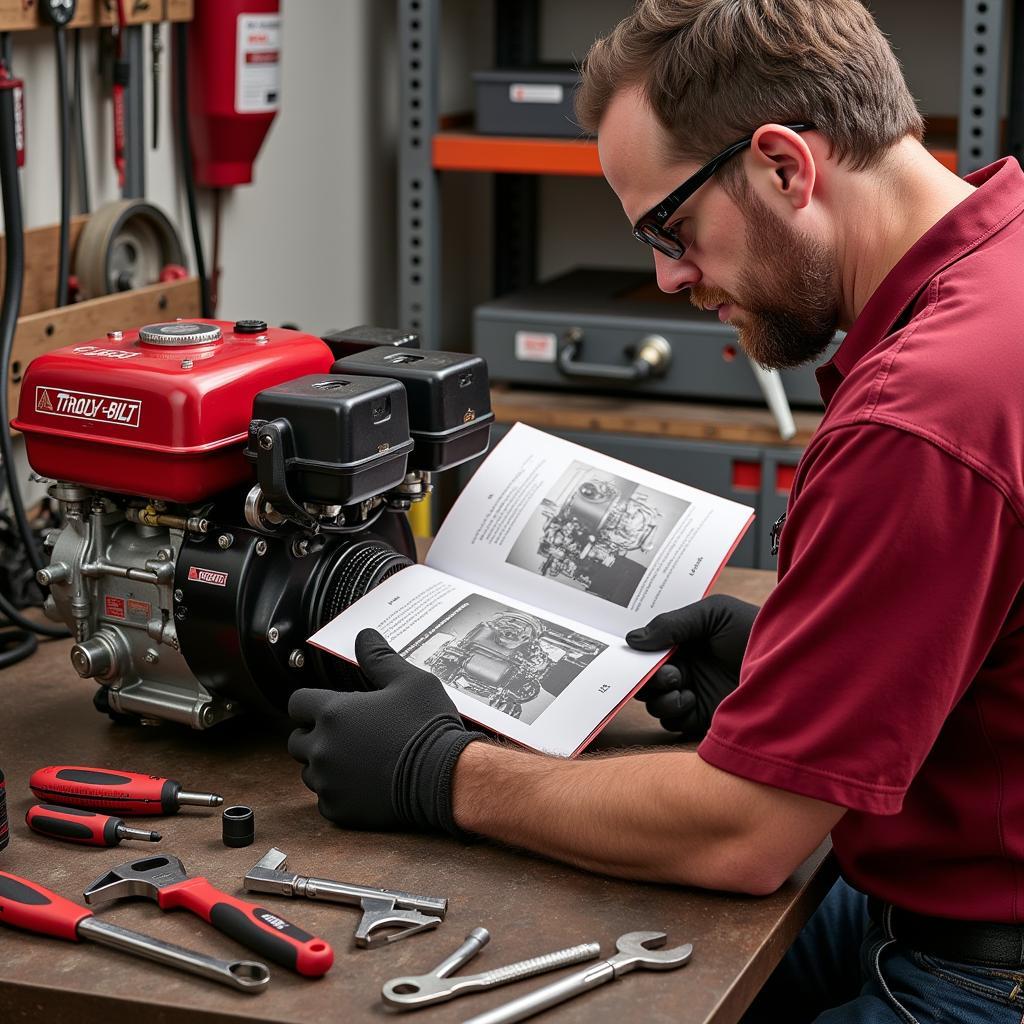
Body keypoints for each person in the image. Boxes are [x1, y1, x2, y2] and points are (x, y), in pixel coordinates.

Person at [286, 2, 1024, 1020]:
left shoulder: (920, 415)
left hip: (981, 969)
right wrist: (795, 657)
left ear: (782, 165)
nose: (668, 276)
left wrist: (439, 771)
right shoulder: (1001, 257)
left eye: (670, 230)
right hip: (936, 877)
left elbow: (744, 835)